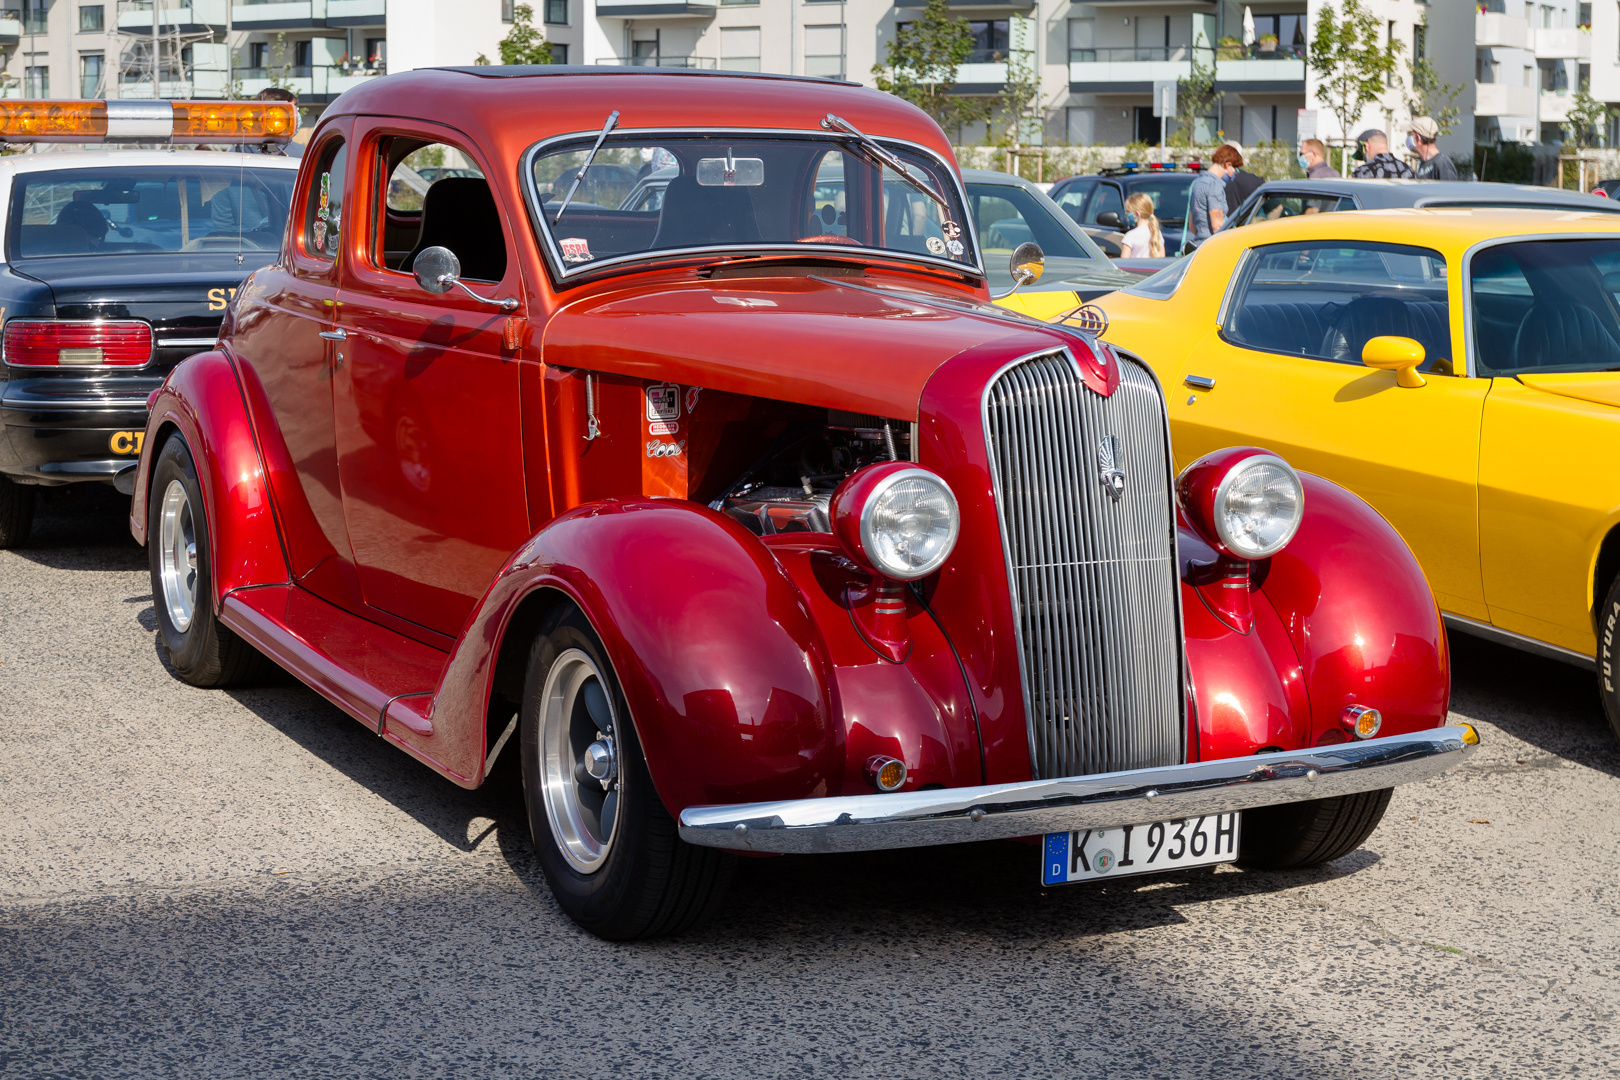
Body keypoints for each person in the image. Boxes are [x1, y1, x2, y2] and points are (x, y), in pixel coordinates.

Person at [1187, 146, 1237, 247]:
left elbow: (1192, 226)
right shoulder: (1214, 185)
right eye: (1235, 168)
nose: (1235, 172)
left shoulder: (1197, 183)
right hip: (1214, 245)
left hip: (1200, 243)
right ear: (1228, 164)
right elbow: (1217, 226)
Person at [235, 87, 304, 158]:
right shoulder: (236, 155)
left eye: (296, 110)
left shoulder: (304, 155)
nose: (296, 116)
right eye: (290, 111)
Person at [1350, 129, 1414, 179]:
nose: (1364, 158)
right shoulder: (1408, 170)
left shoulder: (1363, 171)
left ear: (1366, 146)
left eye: (1362, 154)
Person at [1222, 140, 1264, 213]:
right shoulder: (1255, 181)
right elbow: (1277, 208)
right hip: (1247, 224)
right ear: (1240, 158)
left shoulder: (1211, 181)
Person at [1119, 192, 1164, 258]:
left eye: (1128, 212)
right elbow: (1163, 258)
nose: (1127, 215)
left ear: (1137, 214)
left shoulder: (1130, 236)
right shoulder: (1157, 233)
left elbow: (1123, 263)